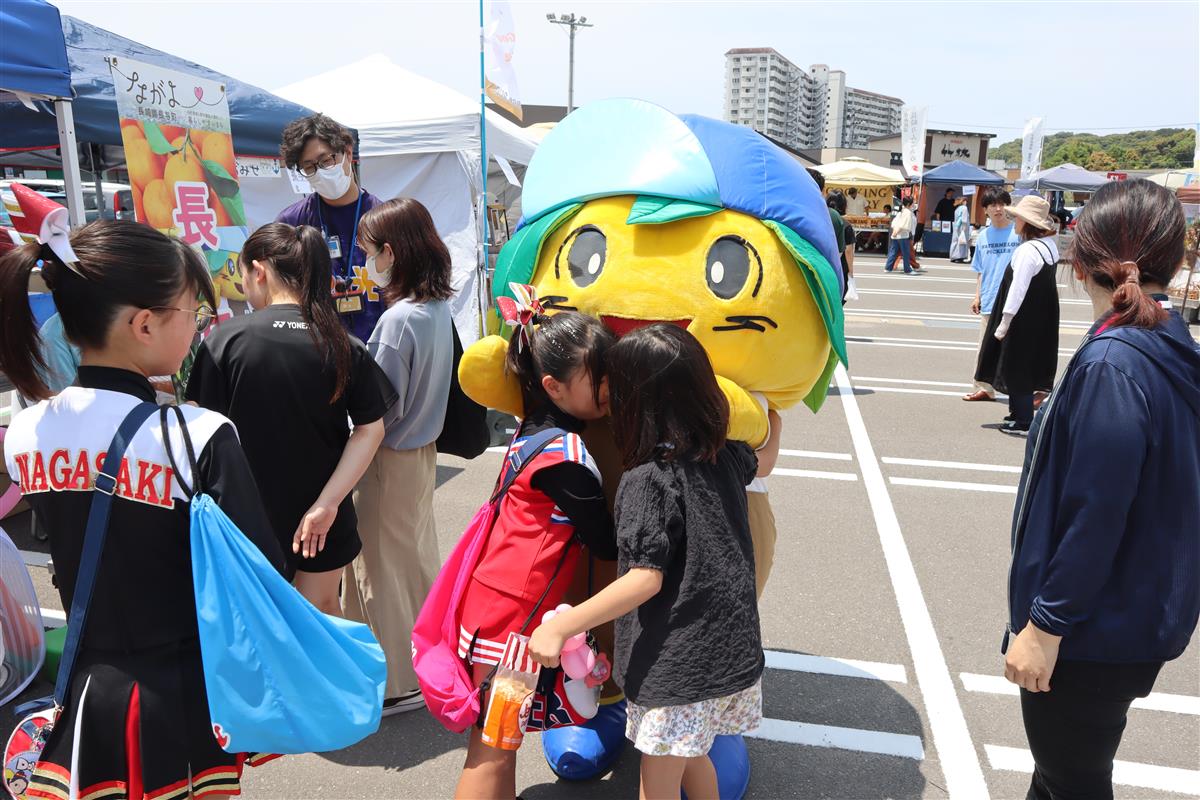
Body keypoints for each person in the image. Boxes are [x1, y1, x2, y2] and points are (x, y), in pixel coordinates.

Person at [0, 219, 286, 800]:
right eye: (192, 312)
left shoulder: (26, 431)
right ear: (145, 322)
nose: (197, 325)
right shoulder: (199, 434)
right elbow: (263, 579)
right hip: (181, 696)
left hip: (82, 693)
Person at [1004, 178, 1200, 799]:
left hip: (1090, 633)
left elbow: (1097, 512)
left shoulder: (1114, 361)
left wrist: (1044, 626)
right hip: (1137, 612)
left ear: (1079, 261)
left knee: (1074, 781)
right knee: (1060, 776)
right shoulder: (1168, 342)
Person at [528, 324, 764, 800]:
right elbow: (766, 456)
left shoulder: (646, 482)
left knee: (656, 784)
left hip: (676, 665)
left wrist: (561, 625)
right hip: (726, 650)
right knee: (692, 754)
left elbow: (643, 579)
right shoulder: (724, 456)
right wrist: (773, 418)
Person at [186, 223, 394, 614]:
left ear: (258, 271)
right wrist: (327, 504)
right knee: (322, 611)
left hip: (243, 514)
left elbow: (201, 430)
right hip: (322, 514)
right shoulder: (343, 345)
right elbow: (370, 428)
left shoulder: (225, 341)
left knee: (256, 619)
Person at [454, 309, 617, 800]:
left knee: (497, 743)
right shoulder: (565, 458)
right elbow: (606, 541)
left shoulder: (533, 432)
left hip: (495, 609)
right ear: (553, 386)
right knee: (492, 751)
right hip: (511, 628)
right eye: (599, 379)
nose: (611, 387)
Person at [342, 198, 455, 716]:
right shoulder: (435, 310)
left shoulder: (397, 321)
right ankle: (430, 662)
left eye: (367, 251)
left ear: (389, 252)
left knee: (382, 574)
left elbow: (377, 408)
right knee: (412, 564)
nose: (366, 260)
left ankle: (399, 683)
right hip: (421, 453)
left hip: (387, 458)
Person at [276, 113, 384, 342]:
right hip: (320, 351)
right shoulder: (292, 223)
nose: (321, 172)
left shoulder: (383, 217)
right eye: (309, 167)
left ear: (347, 151)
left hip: (379, 348)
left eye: (326, 161)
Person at [974, 196, 1061, 434]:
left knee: (1017, 366)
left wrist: (1004, 322)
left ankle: (1023, 420)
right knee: (1025, 364)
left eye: (1018, 217)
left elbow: (1017, 289)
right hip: (1040, 316)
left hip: (1022, 317)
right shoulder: (1049, 247)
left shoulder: (1027, 250)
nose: (1014, 221)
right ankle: (1016, 414)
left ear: (1028, 222)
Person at [963, 188, 1020, 402]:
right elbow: (980, 269)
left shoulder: (1018, 233)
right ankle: (985, 388)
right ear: (985, 210)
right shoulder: (983, 237)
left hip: (1013, 300)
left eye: (1002, 204)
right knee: (985, 348)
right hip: (989, 299)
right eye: (992, 205)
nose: (998, 208)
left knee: (1013, 348)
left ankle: (1019, 391)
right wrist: (977, 296)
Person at [885, 197, 917, 274]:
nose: (914, 204)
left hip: (896, 234)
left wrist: (895, 232)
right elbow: (903, 225)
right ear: (909, 204)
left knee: (893, 252)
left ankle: (888, 268)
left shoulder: (902, 211)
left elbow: (895, 223)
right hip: (903, 235)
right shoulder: (908, 212)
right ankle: (907, 270)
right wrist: (896, 232)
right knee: (906, 253)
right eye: (913, 203)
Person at [949, 196, 971, 263]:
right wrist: (964, 229)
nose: (966, 202)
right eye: (966, 201)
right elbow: (964, 220)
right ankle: (959, 257)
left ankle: (953, 256)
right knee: (962, 242)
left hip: (956, 227)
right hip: (962, 227)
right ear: (963, 201)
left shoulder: (957, 209)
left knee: (955, 241)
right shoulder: (964, 208)